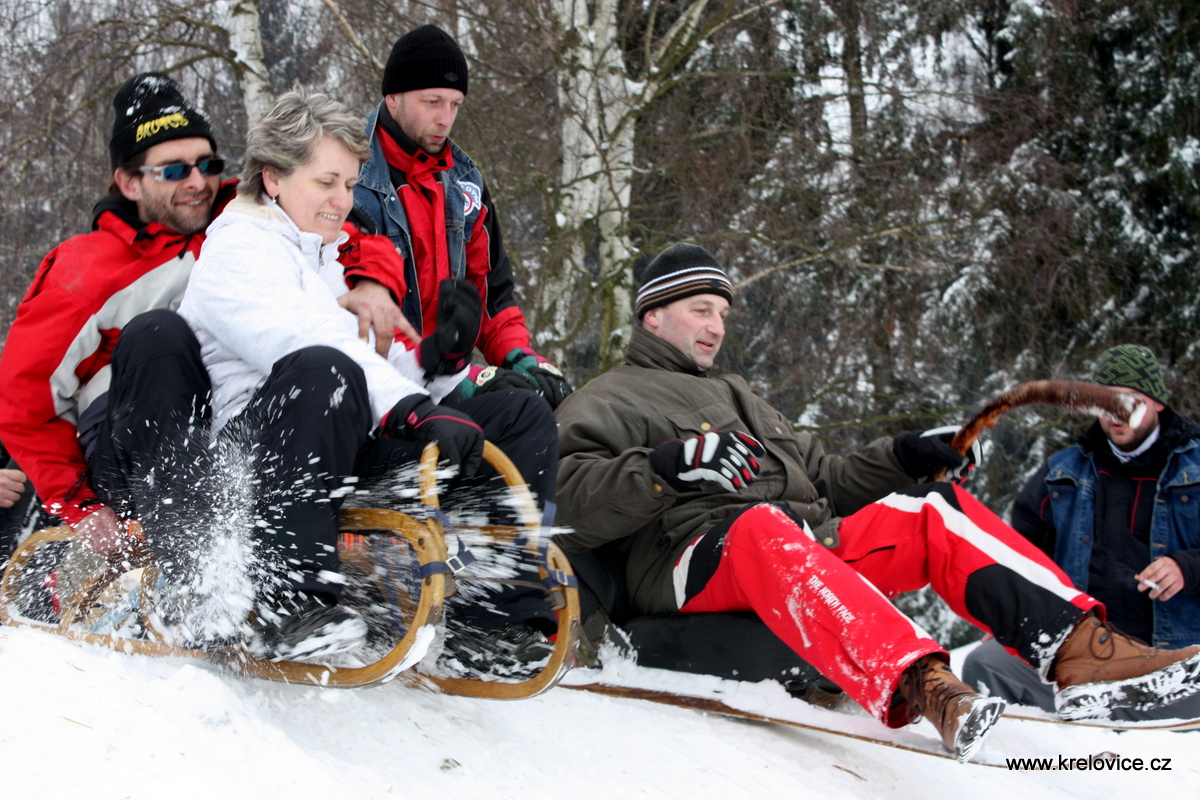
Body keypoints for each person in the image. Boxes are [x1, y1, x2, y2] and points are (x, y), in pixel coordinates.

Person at [553, 243, 1200, 761]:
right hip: (687, 563)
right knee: (760, 525)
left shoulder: (741, 396)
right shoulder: (607, 398)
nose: (717, 326)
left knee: (933, 509)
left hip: (795, 549)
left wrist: (905, 456)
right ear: (653, 314)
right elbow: (568, 505)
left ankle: (1088, 654)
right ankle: (926, 684)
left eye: (722, 313)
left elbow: (824, 481)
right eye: (702, 310)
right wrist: (664, 468)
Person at [963, 344, 1200, 720]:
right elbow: (1022, 555)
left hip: (1175, 658)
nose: (1118, 415)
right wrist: (1008, 615)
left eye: (1132, 402)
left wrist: (1188, 568)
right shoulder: (1062, 472)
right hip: (1080, 652)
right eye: (1107, 403)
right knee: (985, 664)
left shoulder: (1196, 466)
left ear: (1157, 403)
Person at [350, 23, 572, 413]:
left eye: (455, 105)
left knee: (541, 406)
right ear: (393, 96)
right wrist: (450, 375)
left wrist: (518, 355)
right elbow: (349, 308)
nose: (445, 119)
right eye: (432, 102)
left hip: (447, 374)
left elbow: (489, 294)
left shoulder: (465, 183)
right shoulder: (348, 176)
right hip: (375, 383)